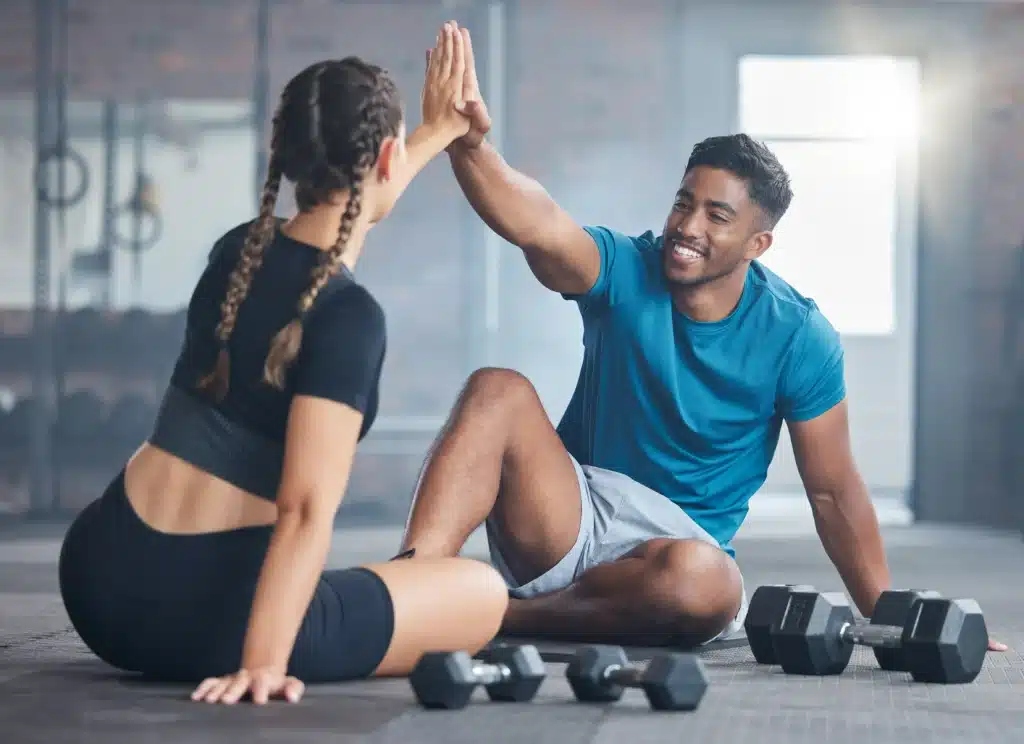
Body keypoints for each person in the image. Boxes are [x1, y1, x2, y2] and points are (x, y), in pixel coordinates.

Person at [400, 26, 1009, 652]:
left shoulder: (799, 336)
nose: (687, 226)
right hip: (570, 513)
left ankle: (498, 617)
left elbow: (833, 491)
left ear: (757, 243)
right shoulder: (626, 270)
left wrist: (891, 616)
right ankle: (410, 590)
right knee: (497, 388)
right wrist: (468, 146)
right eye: (683, 203)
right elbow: (540, 225)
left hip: (674, 553)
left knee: (706, 585)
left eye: (717, 216)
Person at [57, 24, 510, 707]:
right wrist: (263, 664)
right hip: (207, 626)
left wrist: (437, 130)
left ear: (291, 156)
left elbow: (356, 207)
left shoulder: (236, 254)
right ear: (386, 157)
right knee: (481, 592)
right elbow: (303, 510)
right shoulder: (349, 317)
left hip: (99, 581)